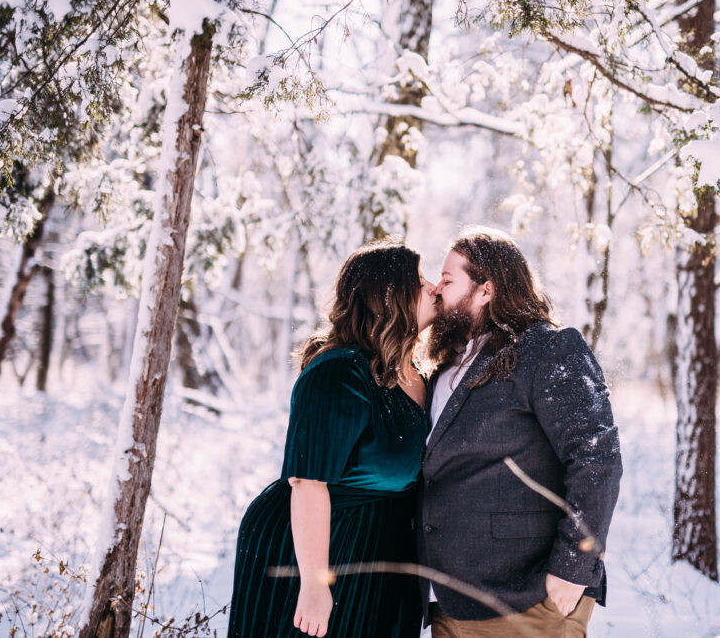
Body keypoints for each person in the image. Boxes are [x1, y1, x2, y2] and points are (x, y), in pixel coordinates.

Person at [419, 227, 622, 637]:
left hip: (527, 598)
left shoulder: (547, 349)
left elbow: (596, 457)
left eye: (448, 279)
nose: (437, 289)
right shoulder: (443, 368)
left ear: (486, 290)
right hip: (450, 602)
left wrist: (571, 569)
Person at [228, 239, 437, 638]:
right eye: (420, 280)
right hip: (315, 553)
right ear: (387, 296)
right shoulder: (341, 373)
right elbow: (308, 482)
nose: (433, 288)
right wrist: (314, 583)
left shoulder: (418, 373)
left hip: (379, 554)